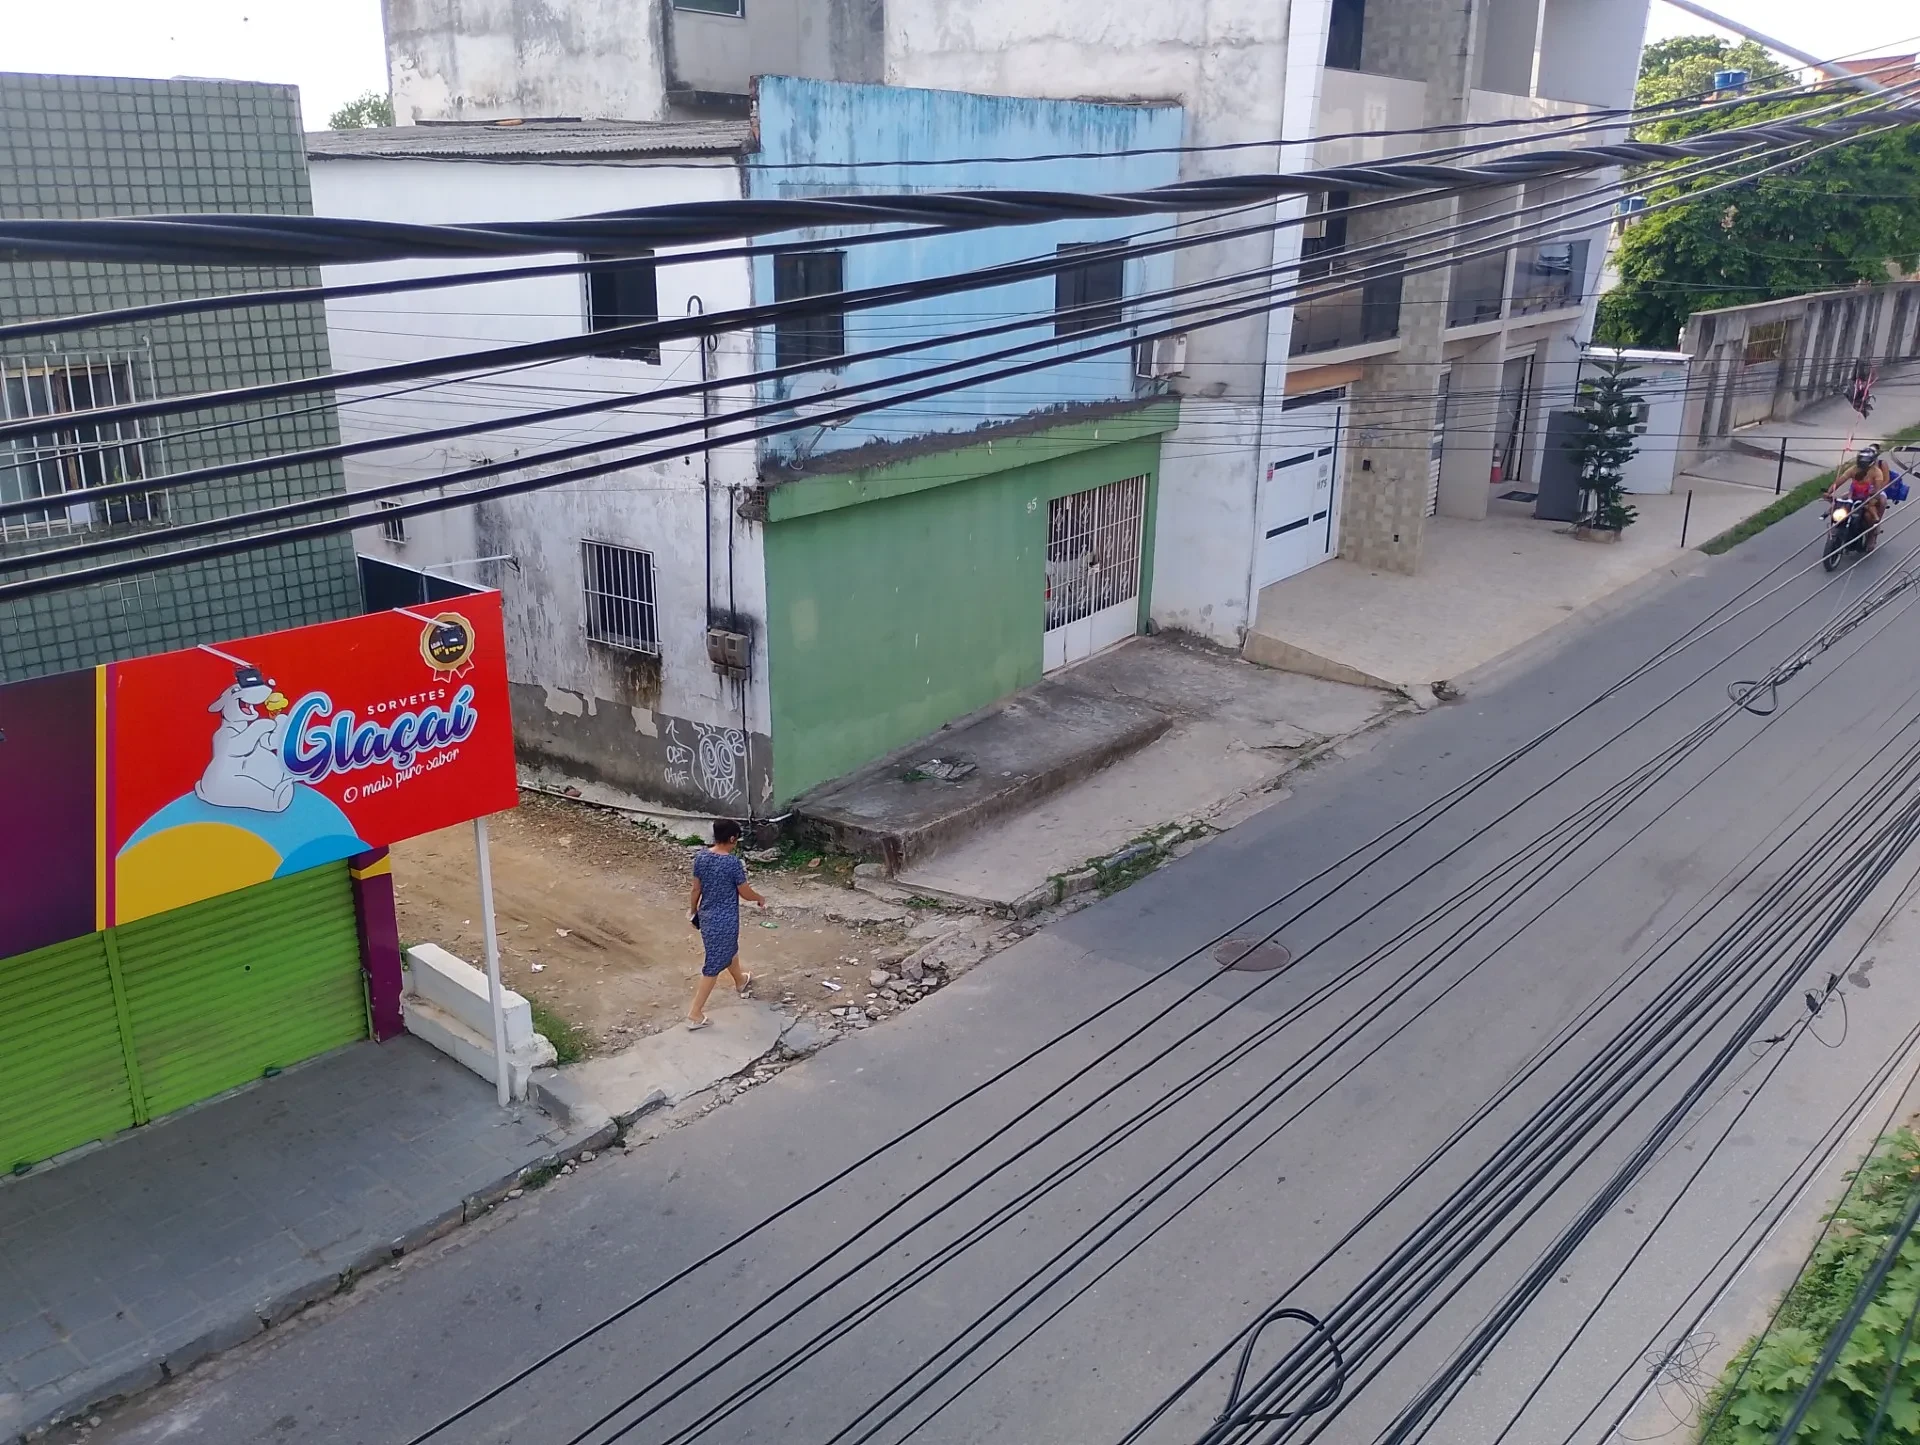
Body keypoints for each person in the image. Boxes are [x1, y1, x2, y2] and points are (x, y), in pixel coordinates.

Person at [686, 819, 766, 1029]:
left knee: (729, 950)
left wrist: (694, 911)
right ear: (732, 839)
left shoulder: (701, 857)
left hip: (707, 916)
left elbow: (696, 889)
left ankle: (740, 981)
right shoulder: (732, 863)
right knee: (714, 964)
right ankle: (695, 1013)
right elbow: (744, 892)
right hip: (726, 919)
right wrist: (759, 897)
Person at [1833, 446, 1891, 550]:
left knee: (1878, 505)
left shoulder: (1879, 468)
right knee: (1840, 502)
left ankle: (1872, 533)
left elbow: (1884, 482)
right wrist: (1830, 492)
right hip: (1858, 491)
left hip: (1873, 493)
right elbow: (1842, 479)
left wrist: (1874, 492)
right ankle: (1835, 527)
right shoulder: (1855, 469)